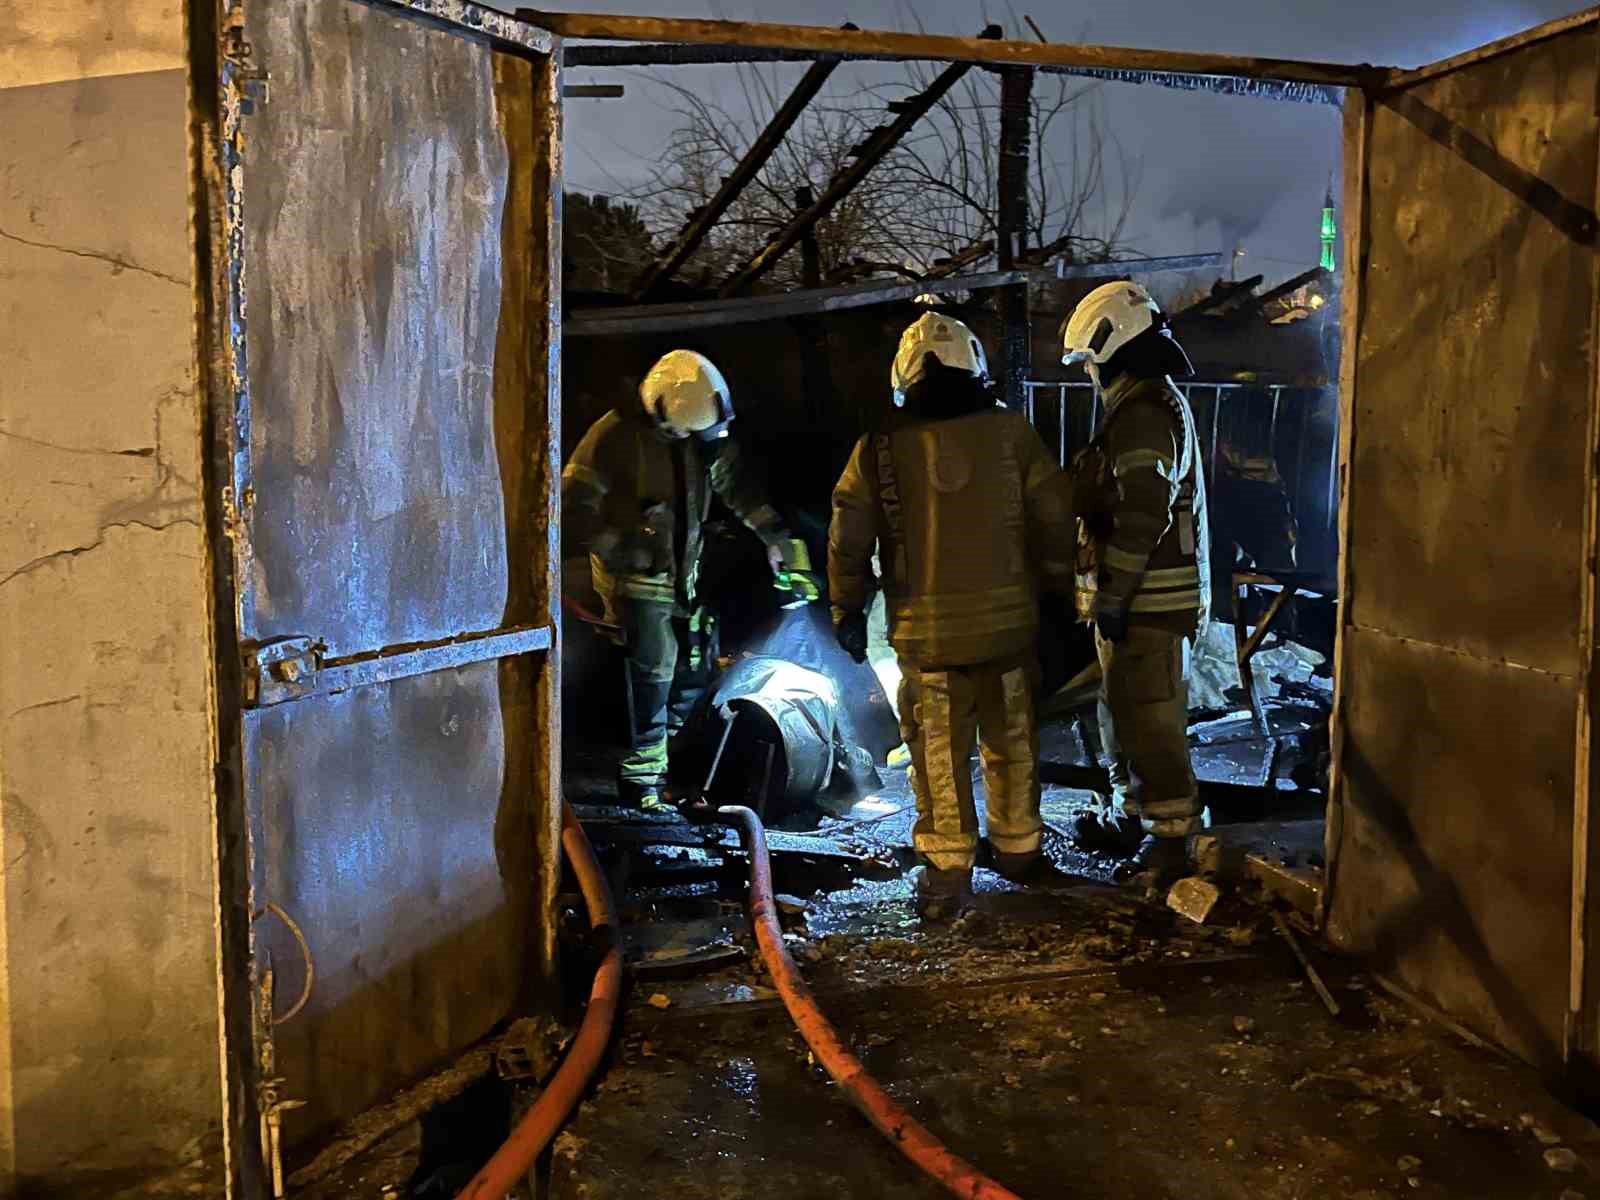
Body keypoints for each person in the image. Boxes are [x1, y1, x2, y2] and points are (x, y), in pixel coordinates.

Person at [828, 313, 1075, 916]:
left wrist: (847, 606)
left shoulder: (880, 448)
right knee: (1012, 741)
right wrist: (1059, 589)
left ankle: (948, 868)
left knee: (938, 754)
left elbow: (848, 533)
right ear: (976, 367)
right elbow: (1055, 514)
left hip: (927, 638)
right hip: (1009, 630)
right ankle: (1018, 848)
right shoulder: (1014, 435)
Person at [562, 349, 795, 811]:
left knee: (694, 668)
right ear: (666, 416)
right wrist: (623, 548)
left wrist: (774, 535)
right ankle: (640, 783)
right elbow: (572, 510)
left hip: (684, 575)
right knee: (653, 673)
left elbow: (734, 481)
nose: (703, 442)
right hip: (634, 580)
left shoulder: (696, 437)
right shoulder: (613, 436)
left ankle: (672, 772)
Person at [1059, 281, 1210, 885]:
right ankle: (1140, 823)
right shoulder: (1141, 405)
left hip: (1151, 602)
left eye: (1091, 362)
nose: (1090, 375)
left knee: (1151, 723)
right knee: (1123, 715)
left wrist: (1116, 592)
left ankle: (1172, 845)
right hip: (1139, 600)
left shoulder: (1145, 412)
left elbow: (1142, 512)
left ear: (1112, 346)